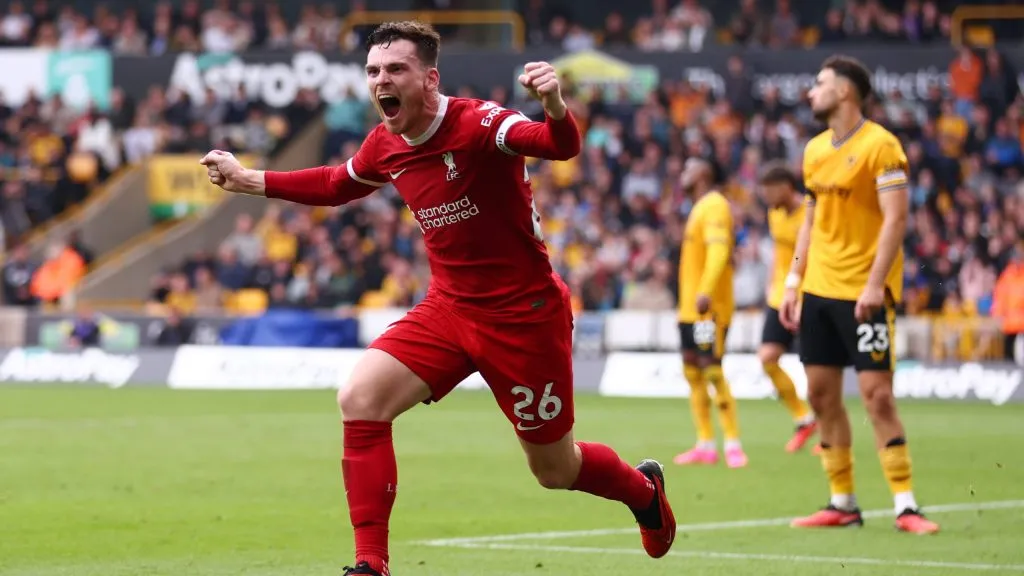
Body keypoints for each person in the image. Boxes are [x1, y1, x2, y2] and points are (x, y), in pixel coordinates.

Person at [199, 21, 676, 576]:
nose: (382, 80)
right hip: (449, 308)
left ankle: (643, 493)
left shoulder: (481, 124)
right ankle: (370, 564)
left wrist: (553, 104)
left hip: (523, 317)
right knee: (360, 398)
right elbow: (335, 185)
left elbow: (558, 146)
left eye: (395, 69)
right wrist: (246, 178)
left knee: (554, 469)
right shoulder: (386, 143)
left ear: (430, 79)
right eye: (374, 70)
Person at [779, 55, 939, 534]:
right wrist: (793, 279)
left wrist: (874, 282)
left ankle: (906, 505)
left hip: (865, 292)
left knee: (878, 396)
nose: (811, 92)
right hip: (818, 289)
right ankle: (842, 503)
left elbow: (896, 219)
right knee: (821, 395)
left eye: (820, 83)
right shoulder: (812, 151)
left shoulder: (882, 145)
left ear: (845, 91)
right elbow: (809, 220)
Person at [672, 158, 748, 469]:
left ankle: (732, 443)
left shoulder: (715, 205)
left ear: (704, 173)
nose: (682, 173)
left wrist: (705, 290)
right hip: (690, 308)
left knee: (712, 369)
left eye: (688, 168)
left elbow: (719, 251)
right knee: (693, 371)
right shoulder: (698, 207)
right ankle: (705, 443)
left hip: (708, 307)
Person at [757, 162, 818, 453]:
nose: (766, 198)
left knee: (817, 367)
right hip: (781, 296)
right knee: (768, 357)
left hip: (812, 295)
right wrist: (772, 287)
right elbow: (779, 255)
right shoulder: (774, 214)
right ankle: (803, 418)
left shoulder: (810, 210)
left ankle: (830, 433)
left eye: (769, 192)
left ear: (785, 187)